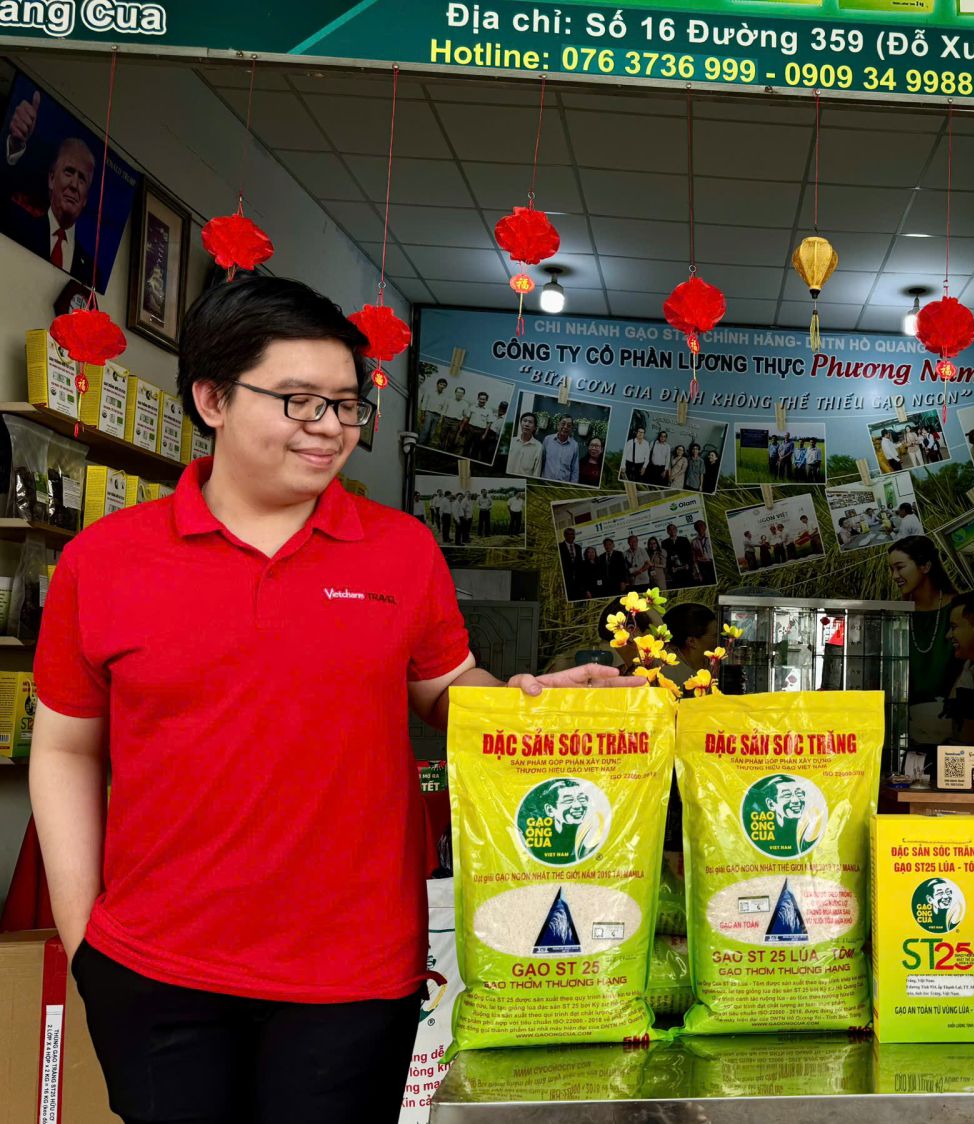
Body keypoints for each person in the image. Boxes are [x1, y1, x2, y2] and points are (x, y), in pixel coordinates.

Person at [28, 275, 639, 1124]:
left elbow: (445, 691)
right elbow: (65, 747)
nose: (330, 428)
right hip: (156, 969)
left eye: (347, 406)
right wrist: (84, 937)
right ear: (212, 399)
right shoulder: (105, 560)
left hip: (353, 975)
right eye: (299, 401)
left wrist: (525, 705)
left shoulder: (400, 550)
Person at [2, 100, 98, 284]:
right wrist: (15, 143)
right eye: (69, 172)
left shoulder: (92, 272)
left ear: (85, 198)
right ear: (51, 179)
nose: (74, 185)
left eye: (82, 179)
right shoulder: (19, 226)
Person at [888, 535, 961, 751]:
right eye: (891, 569)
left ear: (926, 566)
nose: (894, 576)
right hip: (906, 730)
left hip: (952, 727)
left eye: (900, 567)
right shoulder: (897, 614)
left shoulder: (959, 610)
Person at [662, 601, 719, 688]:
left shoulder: (713, 665)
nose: (719, 640)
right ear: (692, 642)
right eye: (715, 636)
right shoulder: (669, 677)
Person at [541, 415, 581, 483]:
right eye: (563, 424)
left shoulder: (574, 445)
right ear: (558, 425)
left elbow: (575, 470)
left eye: (569, 425)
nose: (565, 427)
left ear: (571, 429)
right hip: (545, 482)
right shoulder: (547, 440)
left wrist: (572, 486)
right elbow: (541, 461)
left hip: (563, 485)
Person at [505, 412, 543, 479]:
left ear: (534, 427)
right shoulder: (511, 441)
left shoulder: (538, 446)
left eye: (530, 422)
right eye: (524, 421)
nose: (526, 424)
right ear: (520, 423)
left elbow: (536, 472)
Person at [418, 377, 449, 447]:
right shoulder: (430, 391)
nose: (442, 386)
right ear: (437, 384)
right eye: (441, 384)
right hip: (429, 413)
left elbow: (444, 408)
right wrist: (422, 415)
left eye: (444, 385)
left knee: (432, 432)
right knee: (426, 430)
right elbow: (424, 403)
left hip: (437, 416)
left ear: (445, 387)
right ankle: (420, 444)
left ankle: (427, 446)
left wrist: (441, 418)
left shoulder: (445, 396)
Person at [460, 391, 492, 460]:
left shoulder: (489, 411)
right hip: (470, 429)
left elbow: (488, 424)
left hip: (480, 432)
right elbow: (466, 419)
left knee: (475, 450)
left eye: (484, 399)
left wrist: (484, 435)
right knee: (466, 447)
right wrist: (461, 428)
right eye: (480, 399)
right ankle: (462, 464)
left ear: (486, 400)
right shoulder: (472, 407)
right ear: (478, 398)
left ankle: (471, 464)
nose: (482, 401)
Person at [664, 523, 694, 587]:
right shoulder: (664, 543)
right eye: (670, 529)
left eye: (673, 529)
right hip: (674, 571)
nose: (672, 531)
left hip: (686, 569)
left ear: (676, 530)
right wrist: (670, 569)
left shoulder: (684, 540)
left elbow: (690, 554)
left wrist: (689, 565)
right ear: (667, 532)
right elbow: (665, 558)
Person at [557, 526, 582, 598]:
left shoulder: (578, 547)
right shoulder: (559, 547)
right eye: (569, 534)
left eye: (572, 534)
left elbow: (579, 563)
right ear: (565, 535)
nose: (571, 536)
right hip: (565, 580)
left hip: (578, 581)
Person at [690, 519, 714, 585]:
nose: (700, 528)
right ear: (695, 529)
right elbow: (694, 558)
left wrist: (709, 558)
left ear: (705, 527)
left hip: (712, 563)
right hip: (702, 566)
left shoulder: (711, 538)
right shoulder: (694, 542)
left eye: (701, 526)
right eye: (698, 526)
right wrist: (698, 572)